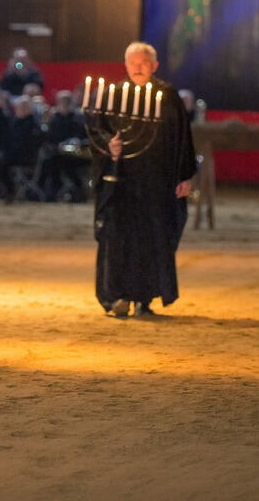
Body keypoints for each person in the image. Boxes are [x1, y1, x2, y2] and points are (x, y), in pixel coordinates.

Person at [92, 42, 197, 317]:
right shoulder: (114, 95)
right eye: (133, 63)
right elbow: (98, 134)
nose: (138, 68)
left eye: (144, 63)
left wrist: (185, 175)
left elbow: (183, 139)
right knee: (118, 238)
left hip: (157, 182)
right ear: (125, 65)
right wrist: (108, 147)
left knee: (152, 239)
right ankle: (117, 295)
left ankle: (144, 297)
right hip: (121, 182)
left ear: (155, 66)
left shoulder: (167, 96)